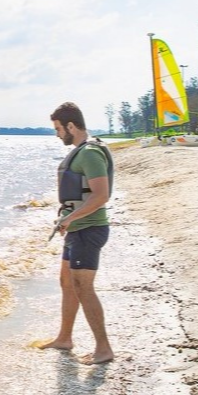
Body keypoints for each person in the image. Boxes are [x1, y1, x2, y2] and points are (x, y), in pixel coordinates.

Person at [38, 102, 114, 365]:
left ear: (71, 126)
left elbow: (101, 195)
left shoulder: (90, 154)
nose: (57, 134)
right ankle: (64, 338)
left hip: (88, 230)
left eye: (58, 129)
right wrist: (66, 220)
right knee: (67, 282)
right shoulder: (81, 152)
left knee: (83, 287)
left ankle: (103, 348)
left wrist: (69, 218)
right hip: (76, 229)